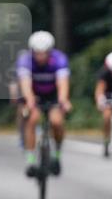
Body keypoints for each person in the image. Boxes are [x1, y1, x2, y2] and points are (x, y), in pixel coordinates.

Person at [16, 31, 71, 177]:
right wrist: (30, 101)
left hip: (53, 95)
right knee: (32, 119)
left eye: (44, 53)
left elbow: (62, 83)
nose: (40, 56)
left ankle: (56, 155)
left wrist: (63, 100)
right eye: (37, 53)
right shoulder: (25, 60)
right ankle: (30, 161)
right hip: (34, 95)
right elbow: (25, 84)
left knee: (57, 122)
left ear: (50, 51)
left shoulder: (59, 59)